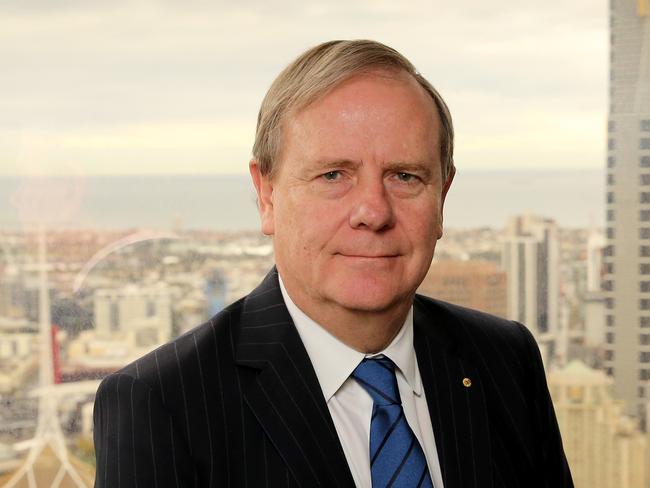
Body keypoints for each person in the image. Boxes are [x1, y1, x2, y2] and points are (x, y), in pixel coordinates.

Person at [93, 39, 573, 488]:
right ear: (267, 195)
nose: (373, 212)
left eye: (405, 176)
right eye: (333, 175)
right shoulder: (162, 403)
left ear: (442, 196)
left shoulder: (504, 358)